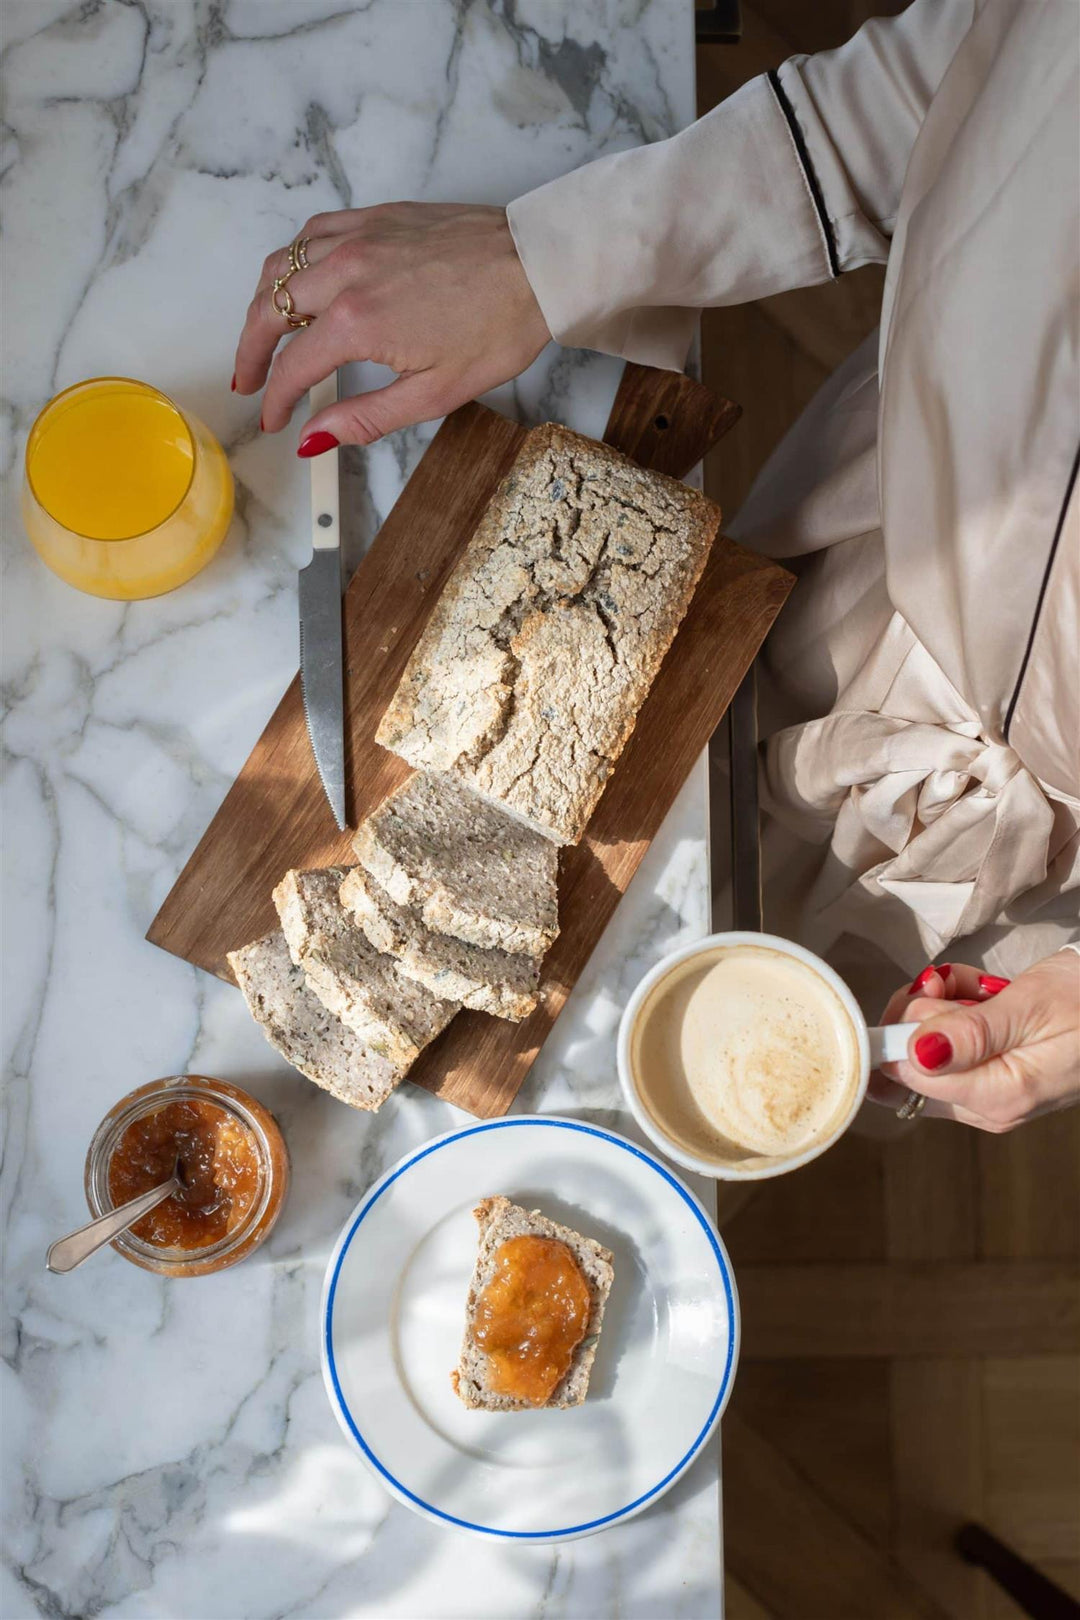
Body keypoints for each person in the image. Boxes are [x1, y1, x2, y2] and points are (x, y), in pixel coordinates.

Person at [233, 0, 1079, 1132]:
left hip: (1024, 866)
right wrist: (545, 258)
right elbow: (972, 89)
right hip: (867, 532)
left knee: (791, 1054)